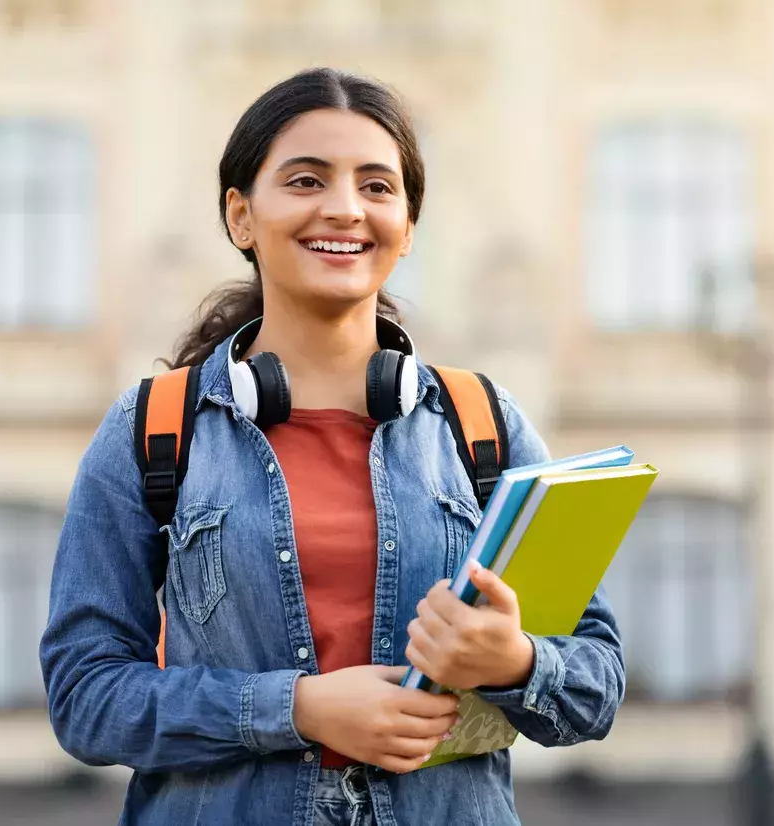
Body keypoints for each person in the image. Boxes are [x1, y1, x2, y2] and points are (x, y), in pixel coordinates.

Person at [39, 66, 625, 826]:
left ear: (408, 226)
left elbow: (597, 682)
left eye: (377, 187)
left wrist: (513, 662)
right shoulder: (151, 431)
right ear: (241, 216)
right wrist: (298, 708)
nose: (344, 208)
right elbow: (85, 699)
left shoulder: (486, 424)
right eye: (306, 180)